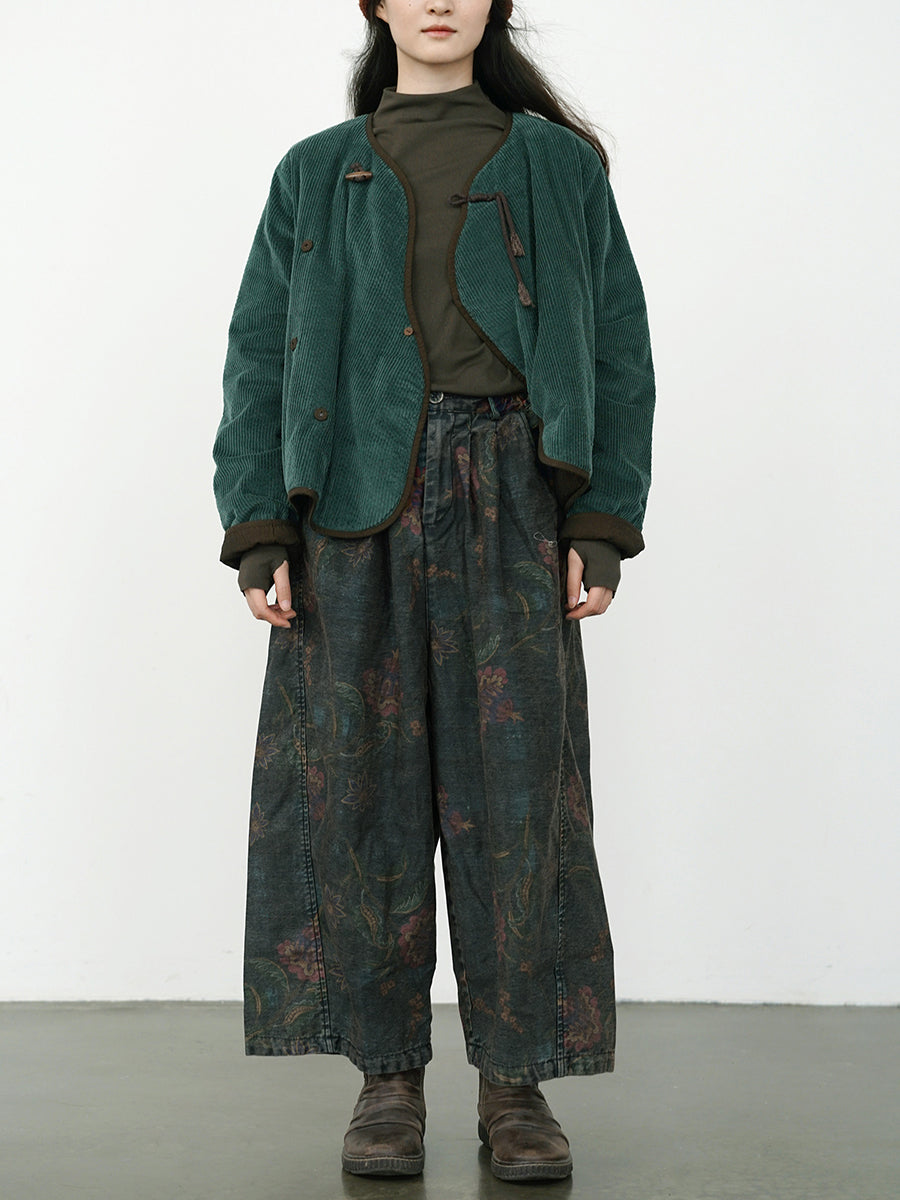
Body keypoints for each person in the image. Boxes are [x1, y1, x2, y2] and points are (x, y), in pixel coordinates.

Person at [212, 0, 655, 1182]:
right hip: (352, 504)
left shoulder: (558, 165)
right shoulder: (316, 171)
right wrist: (258, 527)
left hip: (515, 495)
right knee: (357, 789)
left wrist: (601, 519)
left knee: (520, 795)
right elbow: (258, 351)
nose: (441, 1)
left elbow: (618, 342)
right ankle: (386, 1077)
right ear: (376, 4)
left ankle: (516, 1084)